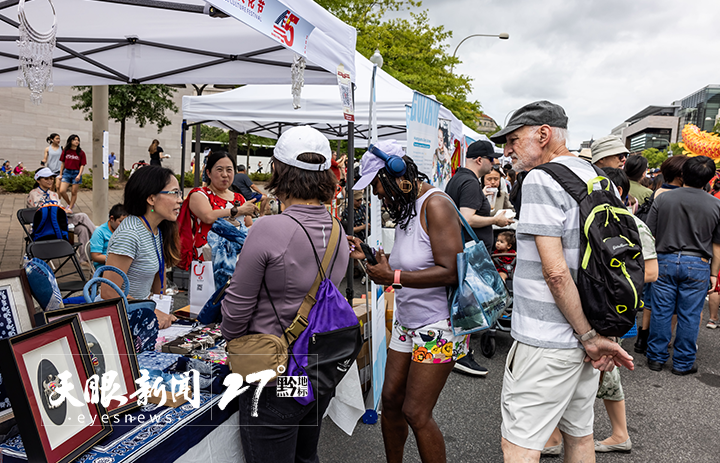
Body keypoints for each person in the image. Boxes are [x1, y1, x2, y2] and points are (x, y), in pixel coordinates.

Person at [489, 100, 633, 462]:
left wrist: (588, 336)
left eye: (513, 139)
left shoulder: (541, 179)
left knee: (519, 445)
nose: (507, 150)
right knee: (580, 437)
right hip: (588, 334)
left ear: (543, 133)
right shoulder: (600, 178)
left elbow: (555, 272)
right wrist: (596, 337)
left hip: (547, 339)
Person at [220, 126, 348, 463]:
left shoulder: (268, 228)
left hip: (273, 371)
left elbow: (236, 309)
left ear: (279, 170)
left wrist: (234, 344)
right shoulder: (338, 230)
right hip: (316, 368)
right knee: (306, 456)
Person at [349, 139, 468, 463]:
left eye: (377, 185)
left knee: (416, 412)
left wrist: (394, 279)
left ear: (397, 176)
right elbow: (406, 263)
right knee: (390, 400)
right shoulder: (406, 209)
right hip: (407, 321)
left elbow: (451, 271)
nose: (376, 194)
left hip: (438, 325)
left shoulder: (436, 204)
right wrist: (371, 256)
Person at [645, 156, 720, 375]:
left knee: (661, 310)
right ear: (709, 178)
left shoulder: (663, 199)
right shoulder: (716, 205)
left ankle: (656, 358)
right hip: (698, 263)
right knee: (690, 314)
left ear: (683, 174)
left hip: (665, 260)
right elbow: (717, 245)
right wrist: (714, 274)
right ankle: (683, 363)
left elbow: (650, 233)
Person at [102, 166, 180, 329]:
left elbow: (159, 275)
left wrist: (161, 310)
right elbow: (109, 292)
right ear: (151, 199)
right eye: (174, 193)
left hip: (140, 316)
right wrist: (150, 311)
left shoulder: (156, 229)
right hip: (120, 321)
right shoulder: (130, 233)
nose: (179, 199)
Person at [182, 151, 256, 266]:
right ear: (209, 173)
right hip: (205, 261)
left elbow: (248, 225)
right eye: (219, 169)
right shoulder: (199, 194)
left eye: (229, 170)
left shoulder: (239, 198)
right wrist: (239, 211)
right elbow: (208, 217)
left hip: (235, 261)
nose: (225, 174)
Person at [26, 167, 97, 264]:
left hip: (58, 225)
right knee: (83, 216)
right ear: (38, 180)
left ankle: (84, 260)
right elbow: (40, 213)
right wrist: (61, 210)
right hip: (44, 227)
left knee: (82, 229)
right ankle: (99, 238)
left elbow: (61, 208)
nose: (50, 180)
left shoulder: (54, 194)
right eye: (46, 178)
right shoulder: (33, 194)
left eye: (51, 178)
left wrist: (64, 210)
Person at [89, 203, 127, 270]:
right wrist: (117, 260)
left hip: (122, 265)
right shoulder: (99, 232)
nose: (124, 225)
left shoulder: (125, 230)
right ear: (111, 218)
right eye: (121, 221)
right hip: (104, 267)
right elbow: (95, 256)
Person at [58, 134, 86, 213]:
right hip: (66, 172)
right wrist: (61, 174)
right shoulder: (66, 151)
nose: (77, 141)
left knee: (74, 192)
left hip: (76, 173)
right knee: (62, 190)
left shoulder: (81, 153)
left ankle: (70, 208)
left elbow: (82, 165)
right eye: (74, 140)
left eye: (78, 140)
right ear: (70, 141)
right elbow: (62, 163)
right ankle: (70, 203)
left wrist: (79, 175)